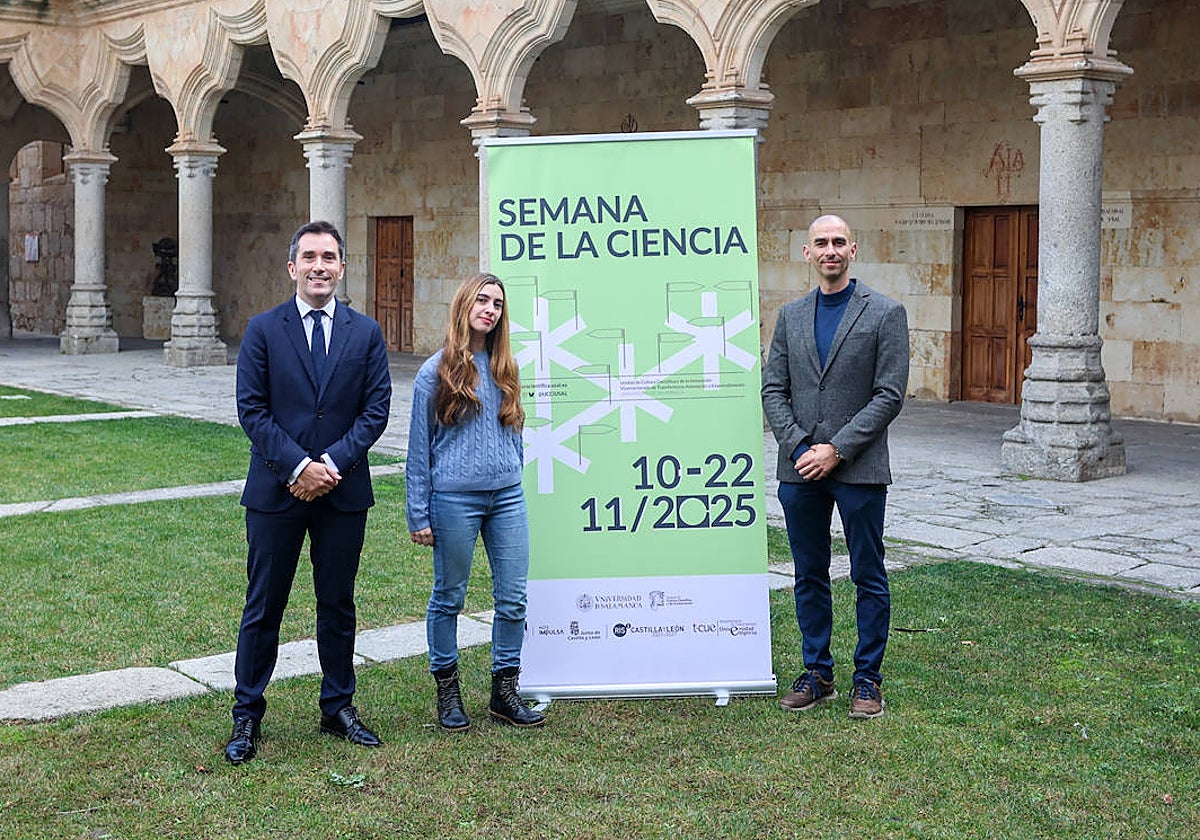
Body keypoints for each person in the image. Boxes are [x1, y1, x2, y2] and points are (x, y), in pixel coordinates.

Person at [224, 220, 392, 764]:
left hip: (342, 494)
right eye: (310, 257)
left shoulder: (364, 333)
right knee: (263, 607)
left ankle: (338, 706)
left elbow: (376, 411)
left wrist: (331, 463)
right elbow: (252, 408)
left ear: (343, 267)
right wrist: (297, 466)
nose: (320, 266)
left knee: (338, 604)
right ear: (291, 266)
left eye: (330, 257)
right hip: (277, 492)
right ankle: (247, 714)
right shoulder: (263, 330)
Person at [761, 214, 909, 720]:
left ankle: (867, 679)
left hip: (859, 469)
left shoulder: (885, 314)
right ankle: (817, 672)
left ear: (854, 249)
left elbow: (889, 394)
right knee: (809, 573)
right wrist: (802, 444)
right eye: (820, 243)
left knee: (868, 573)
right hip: (798, 468)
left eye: (838, 242)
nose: (830, 250)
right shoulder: (791, 316)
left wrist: (837, 449)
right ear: (806, 253)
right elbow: (773, 388)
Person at [406, 272, 545, 732]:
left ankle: (505, 691)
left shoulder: (506, 368)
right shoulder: (435, 372)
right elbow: (418, 449)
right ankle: (448, 694)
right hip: (453, 501)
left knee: (514, 598)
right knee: (449, 597)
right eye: (482, 300)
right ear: (464, 305)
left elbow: (515, 432)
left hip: (506, 497)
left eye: (498, 304)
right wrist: (418, 513)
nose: (490, 309)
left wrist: (511, 471)